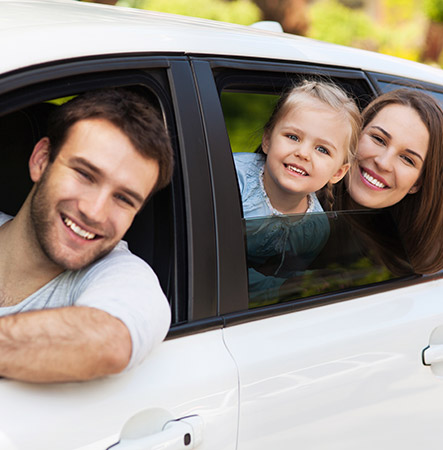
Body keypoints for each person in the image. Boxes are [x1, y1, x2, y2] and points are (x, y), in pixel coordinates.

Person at [0, 88, 174, 382]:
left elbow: (109, 342)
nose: (94, 212)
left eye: (123, 198)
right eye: (85, 175)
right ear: (41, 160)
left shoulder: (126, 275)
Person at [233, 80, 361, 302]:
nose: (303, 153)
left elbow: (286, 281)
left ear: (338, 173)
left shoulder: (315, 229)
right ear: (267, 140)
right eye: (293, 137)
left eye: (322, 149)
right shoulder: (232, 179)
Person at [322, 88, 443, 274]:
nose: (383, 163)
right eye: (378, 139)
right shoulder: (292, 198)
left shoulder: (402, 267)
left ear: (417, 184)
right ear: (355, 134)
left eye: (408, 159)